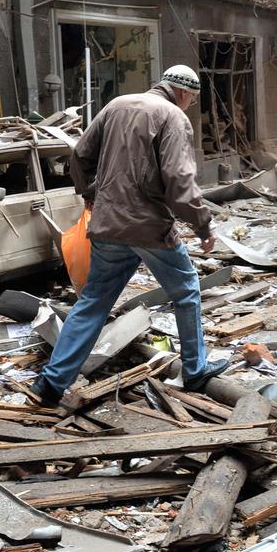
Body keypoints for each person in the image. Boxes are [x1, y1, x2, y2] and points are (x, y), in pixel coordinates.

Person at [32, 64, 228, 405]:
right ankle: (195, 371)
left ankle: (50, 384)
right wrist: (203, 224)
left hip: (108, 224)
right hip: (149, 226)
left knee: (93, 303)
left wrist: (91, 193)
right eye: (192, 100)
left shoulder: (116, 105)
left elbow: (80, 155)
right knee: (186, 292)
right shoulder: (172, 116)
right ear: (184, 93)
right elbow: (179, 180)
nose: (190, 106)